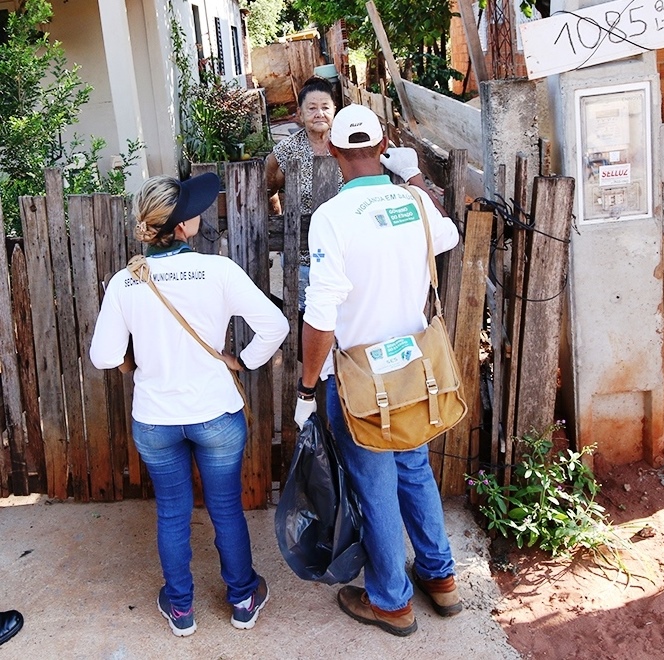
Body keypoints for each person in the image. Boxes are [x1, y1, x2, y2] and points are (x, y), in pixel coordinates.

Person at [90, 173, 289, 637]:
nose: (200, 215)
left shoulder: (127, 281)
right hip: (216, 413)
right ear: (180, 228)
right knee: (225, 509)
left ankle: (180, 608)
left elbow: (103, 355)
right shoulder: (218, 271)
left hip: (156, 420)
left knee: (172, 511)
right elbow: (275, 325)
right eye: (193, 212)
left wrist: (133, 365)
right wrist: (242, 361)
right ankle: (242, 597)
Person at [294, 104, 462, 637]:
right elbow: (449, 237)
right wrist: (411, 174)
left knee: (374, 484)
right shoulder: (413, 200)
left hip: (361, 380)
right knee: (413, 468)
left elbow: (320, 317)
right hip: (414, 370)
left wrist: (305, 387)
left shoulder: (332, 218)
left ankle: (391, 600)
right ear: (384, 143)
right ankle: (440, 577)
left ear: (336, 152)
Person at [265, 75, 343, 310]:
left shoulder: (345, 144)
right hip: (301, 253)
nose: (319, 113)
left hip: (342, 253)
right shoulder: (288, 148)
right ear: (299, 114)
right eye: (312, 108)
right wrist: (278, 219)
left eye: (325, 107)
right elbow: (268, 185)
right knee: (305, 314)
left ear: (334, 110)